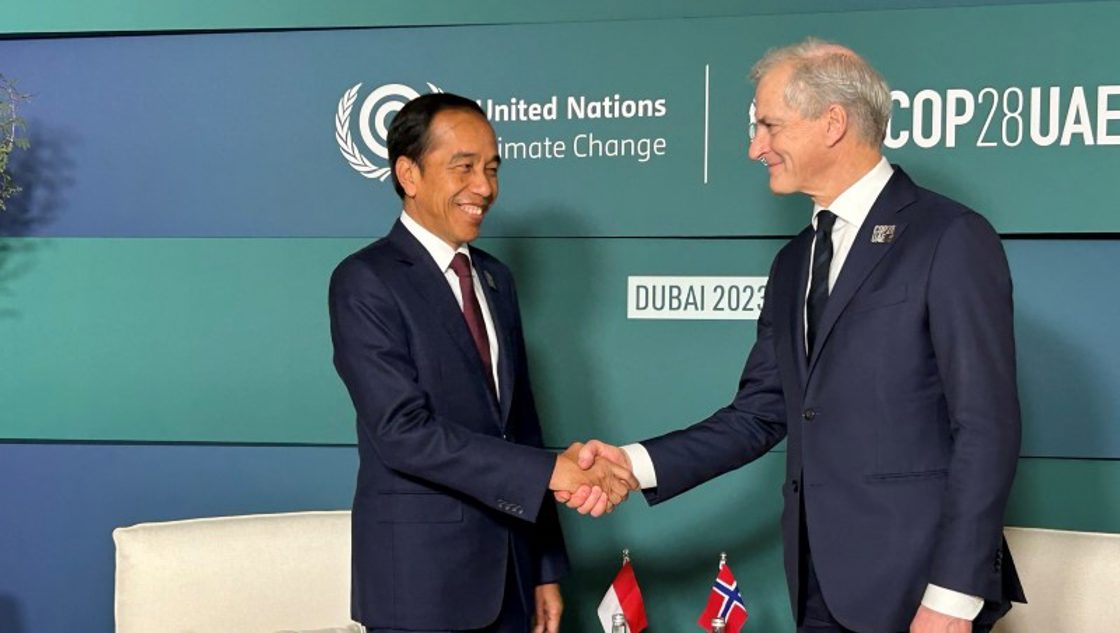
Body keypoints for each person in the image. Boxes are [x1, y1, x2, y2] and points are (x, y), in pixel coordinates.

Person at [564, 38, 1025, 633]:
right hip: (817, 586)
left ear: (833, 122)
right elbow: (758, 413)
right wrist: (630, 464)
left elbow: (987, 427)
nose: (755, 147)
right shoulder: (794, 262)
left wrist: (953, 598)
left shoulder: (949, 236)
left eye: (769, 126)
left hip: (921, 591)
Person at [329, 92, 635, 633]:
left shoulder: (495, 278)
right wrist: (552, 471)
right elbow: (402, 433)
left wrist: (543, 569)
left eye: (492, 169)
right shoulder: (366, 280)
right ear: (408, 173)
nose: (485, 187)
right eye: (464, 167)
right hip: (421, 588)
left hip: (511, 578)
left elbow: (521, 428)